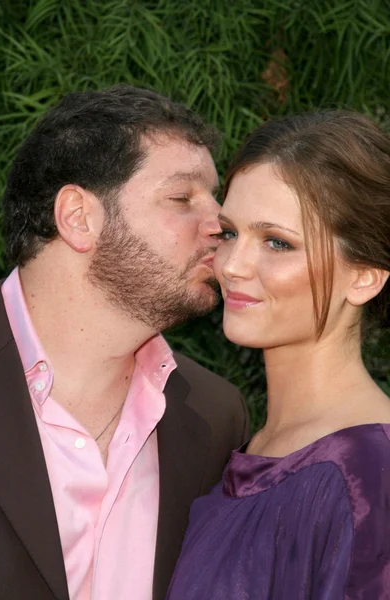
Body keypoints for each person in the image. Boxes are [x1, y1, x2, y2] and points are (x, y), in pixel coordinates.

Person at [0, 84, 250, 600]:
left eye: (215, 199)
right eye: (182, 198)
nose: (220, 224)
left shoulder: (217, 419)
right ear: (78, 217)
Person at [166, 110, 390, 599]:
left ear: (365, 277)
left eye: (276, 242)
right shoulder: (247, 447)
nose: (232, 265)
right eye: (229, 232)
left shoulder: (369, 479)